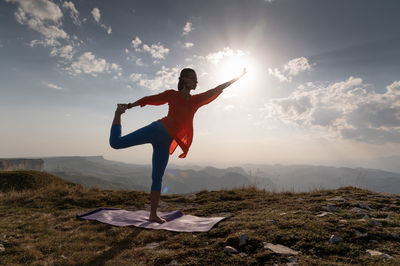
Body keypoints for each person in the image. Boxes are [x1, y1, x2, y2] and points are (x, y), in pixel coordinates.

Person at [109, 67, 246, 223]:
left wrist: (238, 77)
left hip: (165, 142)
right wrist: (128, 106)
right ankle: (117, 115)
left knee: (157, 178)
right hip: (156, 129)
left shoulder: (195, 101)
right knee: (116, 143)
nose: (196, 81)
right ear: (184, 80)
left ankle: (153, 214)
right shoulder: (172, 95)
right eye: (193, 78)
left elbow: (216, 89)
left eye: (196, 79)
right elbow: (150, 99)